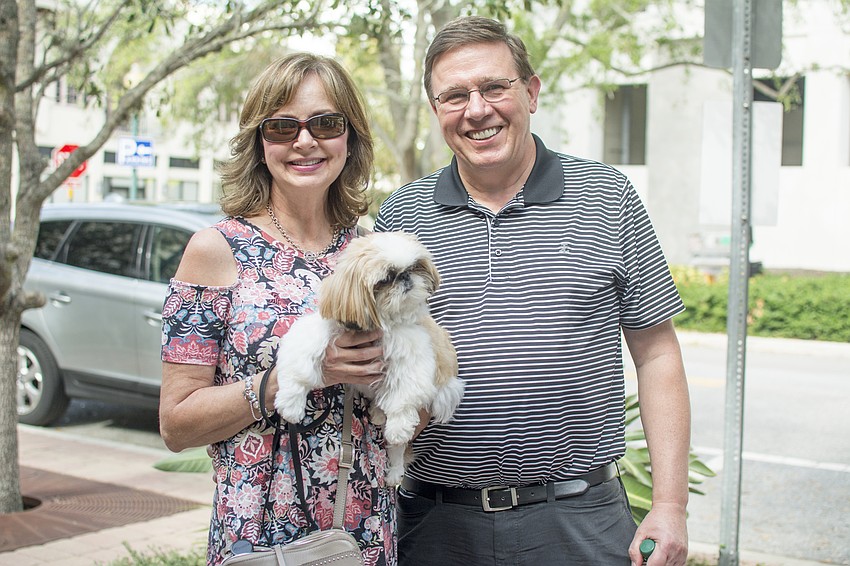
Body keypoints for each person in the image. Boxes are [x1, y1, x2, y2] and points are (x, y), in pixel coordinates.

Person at [374, 16, 691, 566]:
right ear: (436, 110)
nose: (477, 110)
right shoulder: (404, 215)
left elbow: (657, 354)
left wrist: (670, 504)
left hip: (580, 521)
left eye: (494, 87)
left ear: (532, 92)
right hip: (436, 523)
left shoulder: (606, 196)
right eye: (455, 96)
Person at [159, 53, 397, 566]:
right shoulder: (216, 250)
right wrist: (295, 376)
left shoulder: (370, 253)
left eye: (326, 124)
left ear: (350, 138)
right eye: (283, 126)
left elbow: (403, 411)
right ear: (259, 142)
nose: (305, 141)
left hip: (364, 530)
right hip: (259, 535)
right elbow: (176, 425)